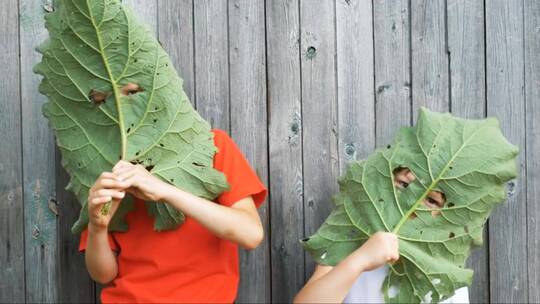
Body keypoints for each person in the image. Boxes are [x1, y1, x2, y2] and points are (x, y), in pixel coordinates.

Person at [79, 128, 267, 303]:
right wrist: (97, 227)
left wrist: (165, 191)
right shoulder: (108, 165)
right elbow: (103, 275)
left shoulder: (210, 145)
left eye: (133, 93)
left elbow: (251, 234)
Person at [294, 168, 469, 303]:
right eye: (404, 184)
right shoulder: (351, 237)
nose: (412, 204)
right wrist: (360, 260)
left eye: (431, 200)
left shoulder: (446, 269)